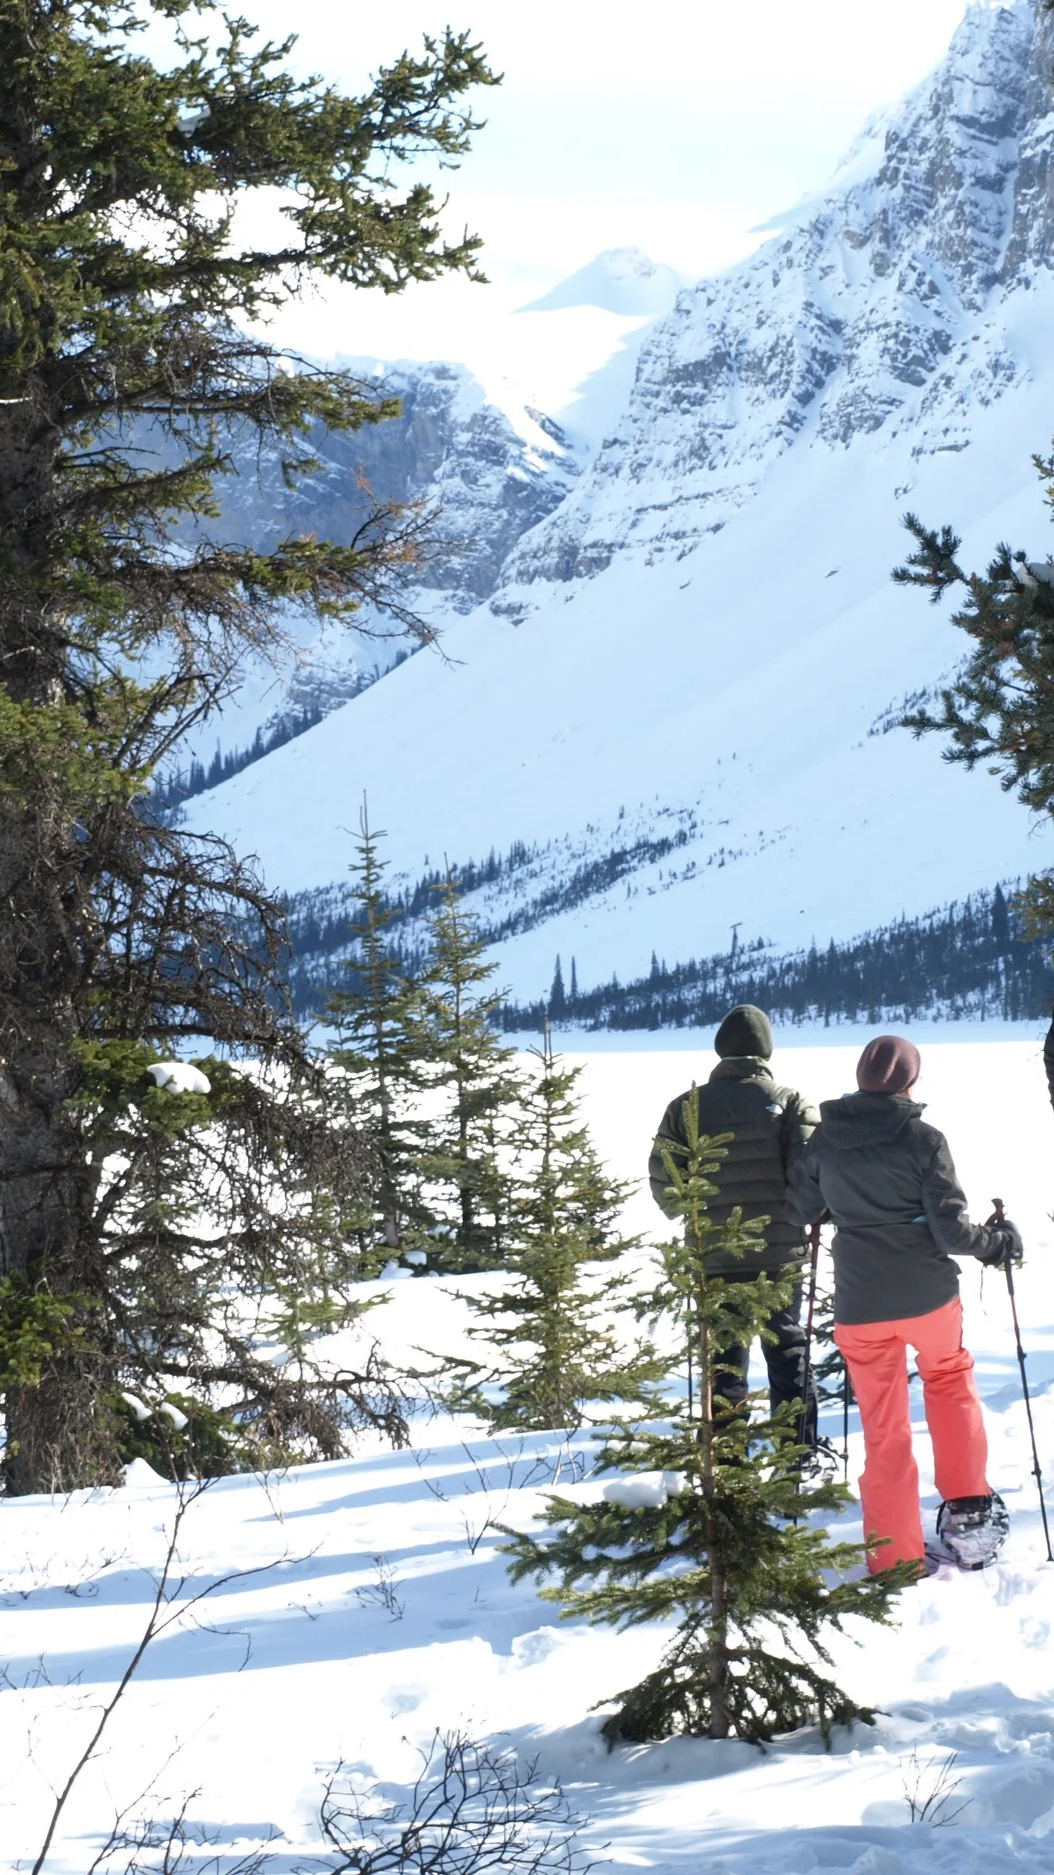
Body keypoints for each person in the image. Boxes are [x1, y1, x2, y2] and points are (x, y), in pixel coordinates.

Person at [789, 1033, 1022, 1575]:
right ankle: (970, 1521)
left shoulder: (825, 1141)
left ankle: (894, 1557)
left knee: (883, 1424)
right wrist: (998, 1244)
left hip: (860, 1302)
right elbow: (951, 1232)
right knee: (948, 1383)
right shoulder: (923, 1139)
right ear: (909, 1080)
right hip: (928, 1297)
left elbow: (801, 1206)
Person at [649, 1003, 821, 1447]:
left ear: (721, 1051)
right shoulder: (791, 1102)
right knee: (788, 1351)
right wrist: (813, 1217)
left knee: (723, 1360)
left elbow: (666, 1181)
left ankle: (726, 1461)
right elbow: (812, 1177)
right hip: (782, 1254)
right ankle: (798, 1452)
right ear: (765, 1050)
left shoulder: (684, 1107)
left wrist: (697, 1214)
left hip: (714, 1256)